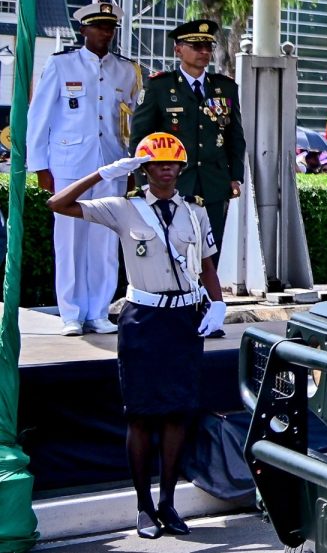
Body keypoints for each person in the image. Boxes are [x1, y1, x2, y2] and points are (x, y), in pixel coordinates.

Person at [46, 133, 225, 539]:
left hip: (184, 319)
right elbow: (58, 204)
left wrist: (218, 305)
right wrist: (102, 174)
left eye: (173, 163)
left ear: (181, 168)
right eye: (157, 163)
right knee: (142, 416)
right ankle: (144, 507)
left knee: (178, 412)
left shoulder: (194, 211)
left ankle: (168, 503)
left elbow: (207, 266)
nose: (167, 170)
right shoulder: (124, 208)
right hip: (144, 319)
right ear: (143, 169)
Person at [28, 0, 140, 335]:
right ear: (84, 30)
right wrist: (40, 165)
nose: (105, 32)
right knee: (69, 240)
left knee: (105, 242)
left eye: (110, 27)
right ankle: (71, 313)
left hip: (111, 164)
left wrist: (131, 167)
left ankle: (98, 311)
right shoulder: (62, 64)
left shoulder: (126, 70)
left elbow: (131, 121)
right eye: (98, 26)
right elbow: (39, 116)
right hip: (70, 164)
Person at [131, 19, 245, 260]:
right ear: (178, 50)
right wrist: (144, 181)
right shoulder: (160, 86)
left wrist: (235, 176)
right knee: (173, 248)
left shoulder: (224, 88)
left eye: (208, 46)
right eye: (196, 46)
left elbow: (235, 136)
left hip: (213, 182)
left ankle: (207, 286)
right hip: (172, 182)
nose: (204, 52)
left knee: (210, 250)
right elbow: (141, 138)